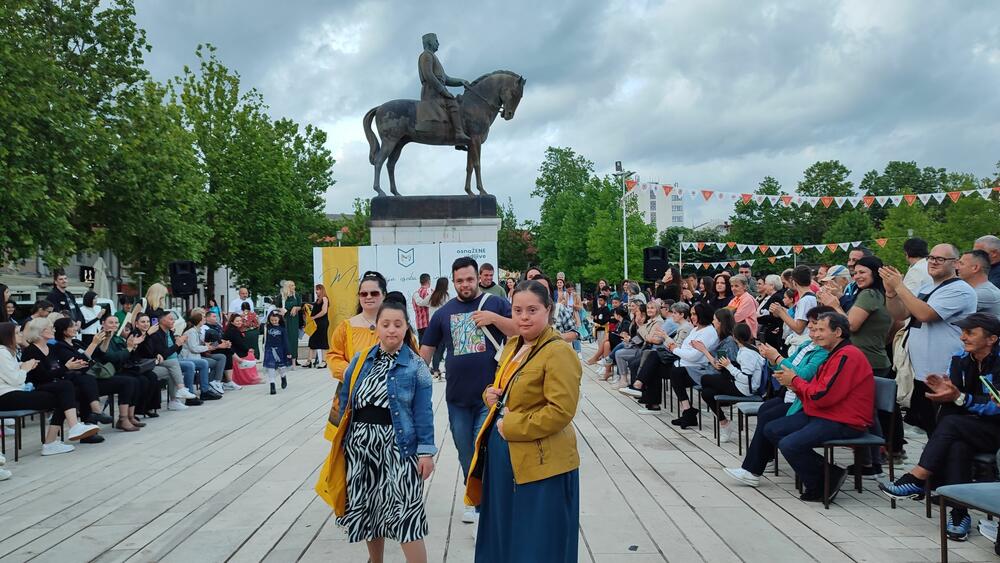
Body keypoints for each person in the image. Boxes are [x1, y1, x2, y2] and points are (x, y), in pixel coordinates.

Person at [466, 280, 581, 563]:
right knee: (505, 533)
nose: (524, 317)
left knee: (537, 540)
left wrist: (512, 426)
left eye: (532, 310)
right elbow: (507, 387)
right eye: (518, 310)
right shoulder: (514, 344)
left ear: (548, 310)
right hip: (505, 459)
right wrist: (490, 395)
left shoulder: (558, 352)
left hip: (541, 464)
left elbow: (561, 411)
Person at [318, 295, 436, 563]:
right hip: (361, 448)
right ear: (377, 328)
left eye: (397, 324)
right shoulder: (360, 361)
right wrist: (340, 443)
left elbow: (423, 412)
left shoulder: (416, 366)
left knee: (407, 512)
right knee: (370, 511)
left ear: (407, 327)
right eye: (386, 324)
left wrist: (426, 452)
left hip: (399, 447)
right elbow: (345, 401)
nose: (391, 329)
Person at [879, 313, 1000, 542]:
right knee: (957, 445)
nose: (963, 337)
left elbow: (995, 404)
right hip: (969, 427)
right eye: (963, 332)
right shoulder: (960, 358)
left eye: (970, 332)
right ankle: (958, 514)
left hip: (994, 429)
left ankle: (918, 478)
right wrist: (946, 393)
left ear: (992, 338)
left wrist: (961, 398)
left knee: (953, 424)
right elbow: (954, 395)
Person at [419, 257, 515, 525]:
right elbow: (424, 355)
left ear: (478, 278)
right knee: (465, 451)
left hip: (490, 396)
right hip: (457, 398)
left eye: (470, 279)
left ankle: (485, 501)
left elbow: (519, 330)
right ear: (453, 281)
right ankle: (474, 495)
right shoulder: (443, 314)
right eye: (460, 280)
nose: (465, 284)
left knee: (483, 447)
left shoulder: (495, 303)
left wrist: (494, 318)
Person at [763, 312, 874, 502]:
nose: (814, 335)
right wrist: (792, 384)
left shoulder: (847, 355)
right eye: (814, 330)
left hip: (844, 420)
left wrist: (795, 381)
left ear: (838, 332)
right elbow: (817, 390)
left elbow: (822, 395)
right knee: (772, 429)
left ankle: (822, 485)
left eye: (821, 330)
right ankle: (830, 473)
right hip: (825, 412)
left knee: (789, 444)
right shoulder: (834, 354)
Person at [724, 306, 834, 487]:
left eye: (818, 327)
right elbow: (785, 368)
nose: (813, 330)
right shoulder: (807, 345)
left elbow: (801, 375)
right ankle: (760, 461)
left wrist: (777, 359)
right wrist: (771, 359)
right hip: (791, 394)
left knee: (770, 418)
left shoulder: (822, 352)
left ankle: (753, 468)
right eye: (812, 326)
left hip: (803, 400)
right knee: (767, 409)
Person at [881, 243, 977, 434]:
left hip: (944, 373)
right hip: (921, 373)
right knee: (928, 428)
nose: (933, 262)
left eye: (940, 259)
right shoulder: (927, 286)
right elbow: (901, 314)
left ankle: (939, 464)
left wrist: (899, 286)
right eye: (931, 258)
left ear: (955, 263)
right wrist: (891, 293)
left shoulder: (960, 290)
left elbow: (925, 314)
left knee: (942, 430)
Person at [0, 322, 100, 454]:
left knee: (65, 395)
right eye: (17, 332)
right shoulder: (3, 352)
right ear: (8, 336)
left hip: (15, 392)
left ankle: (56, 439)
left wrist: (21, 367)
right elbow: (16, 380)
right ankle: (61, 435)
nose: (21, 334)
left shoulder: (9, 352)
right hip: (6, 397)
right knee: (64, 394)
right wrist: (25, 368)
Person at [50, 317, 142, 432]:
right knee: (87, 382)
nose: (75, 328)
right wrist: (94, 343)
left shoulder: (76, 342)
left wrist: (106, 339)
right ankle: (93, 421)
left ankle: (123, 419)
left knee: (129, 381)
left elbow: (98, 353)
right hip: (79, 381)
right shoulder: (60, 347)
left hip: (92, 377)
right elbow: (80, 362)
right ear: (64, 331)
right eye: (72, 326)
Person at [701, 322, 765, 443]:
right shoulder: (747, 349)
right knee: (707, 393)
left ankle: (725, 407)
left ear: (735, 337)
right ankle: (724, 423)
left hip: (744, 389)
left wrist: (729, 366)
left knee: (705, 379)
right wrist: (728, 365)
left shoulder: (747, 353)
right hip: (741, 384)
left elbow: (746, 378)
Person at [653, 303, 720, 419]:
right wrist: (676, 349)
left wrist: (674, 350)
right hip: (684, 364)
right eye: (692, 314)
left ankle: (687, 410)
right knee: (654, 364)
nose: (692, 317)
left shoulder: (708, 332)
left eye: (695, 314)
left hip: (697, 369)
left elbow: (694, 356)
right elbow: (684, 349)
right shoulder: (695, 329)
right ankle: (650, 399)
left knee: (673, 371)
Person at [134, 312, 198, 411]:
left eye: (147, 321)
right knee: (175, 365)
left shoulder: (168, 332)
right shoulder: (151, 334)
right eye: (143, 322)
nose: (146, 324)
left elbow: (167, 351)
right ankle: (180, 391)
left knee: (175, 368)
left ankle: (175, 399)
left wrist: (179, 344)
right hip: (147, 364)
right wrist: (177, 344)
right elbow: (157, 352)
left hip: (162, 361)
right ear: (136, 324)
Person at [418, 32, 471, 145]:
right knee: (453, 104)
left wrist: (461, 81)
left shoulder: (433, 57)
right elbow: (429, 76)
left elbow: (446, 79)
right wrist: (444, 91)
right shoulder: (426, 55)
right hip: (432, 92)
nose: (438, 43)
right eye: (436, 41)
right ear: (429, 42)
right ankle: (459, 134)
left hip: (437, 91)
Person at [180, 309, 225, 401]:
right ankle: (207, 387)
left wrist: (211, 345)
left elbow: (200, 344)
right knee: (206, 363)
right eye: (203, 318)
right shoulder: (191, 332)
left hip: (196, 356)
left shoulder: (197, 330)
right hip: (189, 357)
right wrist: (208, 347)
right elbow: (194, 348)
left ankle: (208, 386)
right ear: (199, 321)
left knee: (218, 359)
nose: (204, 319)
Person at [769, 265, 816, 336]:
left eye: (784, 283)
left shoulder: (806, 300)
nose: (785, 286)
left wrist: (780, 313)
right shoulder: (809, 297)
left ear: (793, 281)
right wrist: (782, 310)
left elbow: (799, 329)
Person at [957, 249, 1000, 317]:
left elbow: (942, 308)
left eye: (961, 264)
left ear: (975, 268)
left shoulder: (984, 293)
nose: (956, 267)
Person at [262, 310, 291, 394]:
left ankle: (283, 376)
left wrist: (288, 352)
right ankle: (272, 384)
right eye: (272, 320)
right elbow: (265, 338)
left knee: (281, 367)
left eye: (275, 320)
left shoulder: (282, 329)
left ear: (279, 319)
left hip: (280, 350)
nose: (273, 322)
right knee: (270, 366)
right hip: (269, 349)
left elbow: (285, 341)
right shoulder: (267, 327)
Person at [756, 274, 787, 351]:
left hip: (775, 333)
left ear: (772, 286)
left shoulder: (776, 297)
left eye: (765, 284)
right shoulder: (774, 296)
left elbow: (775, 316)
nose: (764, 286)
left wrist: (758, 318)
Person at [426, 276, 450, 378]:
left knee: (437, 349)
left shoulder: (432, 295)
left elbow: (421, 302)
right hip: (443, 325)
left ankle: (435, 369)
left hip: (433, 325)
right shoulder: (446, 296)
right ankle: (441, 369)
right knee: (444, 348)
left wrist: (416, 295)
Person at [224, 314, 255, 386]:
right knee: (250, 356)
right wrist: (247, 350)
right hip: (232, 351)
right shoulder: (233, 331)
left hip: (233, 349)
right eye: (237, 321)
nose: (239, 322)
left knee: (250, 354)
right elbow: (239, 344)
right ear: (232, 322)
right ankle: (248, 378)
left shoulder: (233, 329)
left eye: (240, 321)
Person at [276, 280, 302, 367]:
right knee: (284, 339)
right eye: (292, 285)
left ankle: (294, 359)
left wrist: (296, 308)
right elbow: (277, 307)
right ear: (288, 287)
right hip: (285, 320)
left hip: (294, 320)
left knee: (293, 339)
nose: (294, 287)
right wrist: (281, 310)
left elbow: (300, 306)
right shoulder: (281, 296)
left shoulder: (296, 296)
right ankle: (285, 359)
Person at [306, 284, 330, 369]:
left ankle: (324, 362)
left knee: (323, 341)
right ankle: (309, 361)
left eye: (318, 290)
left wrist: (314, 317)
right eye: (316, 290)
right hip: (316, 323)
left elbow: (324, 311)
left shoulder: (324, 299)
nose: (316, 291)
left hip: (322, 322)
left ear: (322, 290)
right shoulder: (317, 300)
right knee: (312, 340)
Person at [412, 273, 433, 340]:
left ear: (420, 282)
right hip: (430, 324)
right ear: (429, 281)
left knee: (422, 347)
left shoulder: (415, 294)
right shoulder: (432, 292)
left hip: (419, 324)